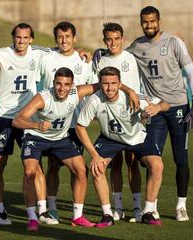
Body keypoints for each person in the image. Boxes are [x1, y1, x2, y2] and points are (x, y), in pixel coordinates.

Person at [39, 21, 139, 221]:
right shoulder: (46, 57)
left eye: (68, 36)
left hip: (75, 123)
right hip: (52, 123)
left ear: (75, 38)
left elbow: (98, 84)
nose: (64, 40)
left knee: (79, 170)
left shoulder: (85, 61)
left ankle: (80, 213)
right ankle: (51, 208)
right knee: (52, 166)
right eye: (60, 36)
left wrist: (128, 90)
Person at [127, 6, 193, 221]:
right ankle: (152, 207)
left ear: (159, 21)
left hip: (178, 106)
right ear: (141, 22)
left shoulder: (173, 42)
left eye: (152, 21)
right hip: (155, 109)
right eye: (145, 22)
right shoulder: (137, 46)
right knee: (152, 159)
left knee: (181, 158)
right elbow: (119, 57)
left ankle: (181, 206)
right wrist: (96, 54)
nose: (149, 25)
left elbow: (190, 71)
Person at [76, 66, 170, 227]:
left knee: (157, 166)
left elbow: (165, 103)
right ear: (100, 83)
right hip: (109, 138)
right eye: (105, 83)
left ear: (120, 84)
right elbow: (80, 126)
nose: (109, 87)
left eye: (113, 83)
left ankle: (147, 212)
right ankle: (107, 215)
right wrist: (94, 155)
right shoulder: (95, 100)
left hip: (137, 137)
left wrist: (158, 107)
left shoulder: (131, 97)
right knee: (97, 168)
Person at [12, 67, 100, 231]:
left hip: (60, 139)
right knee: (30, 172)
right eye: (58, 84)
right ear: (53, 83)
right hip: (36, 137)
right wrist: (36, 125)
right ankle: (32, 218)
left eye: (66, 84)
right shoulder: (42, 98)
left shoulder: (77, 93)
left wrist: (129, 91)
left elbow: (103, 84)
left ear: (72, 85)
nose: (62, 88)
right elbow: (17, 121)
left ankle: (77, 216)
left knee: (81, 170)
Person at [92, 22, 142, 222]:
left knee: (133, 162)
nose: (113, 43)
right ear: (104, 40)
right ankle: (118, 207)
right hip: (109, 119)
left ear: (123, 39)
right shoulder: (100, 60)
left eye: (116, 38)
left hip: (131, 117)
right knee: (116, 164)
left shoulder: (132, 57)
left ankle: (137, 207)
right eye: (108, 39)